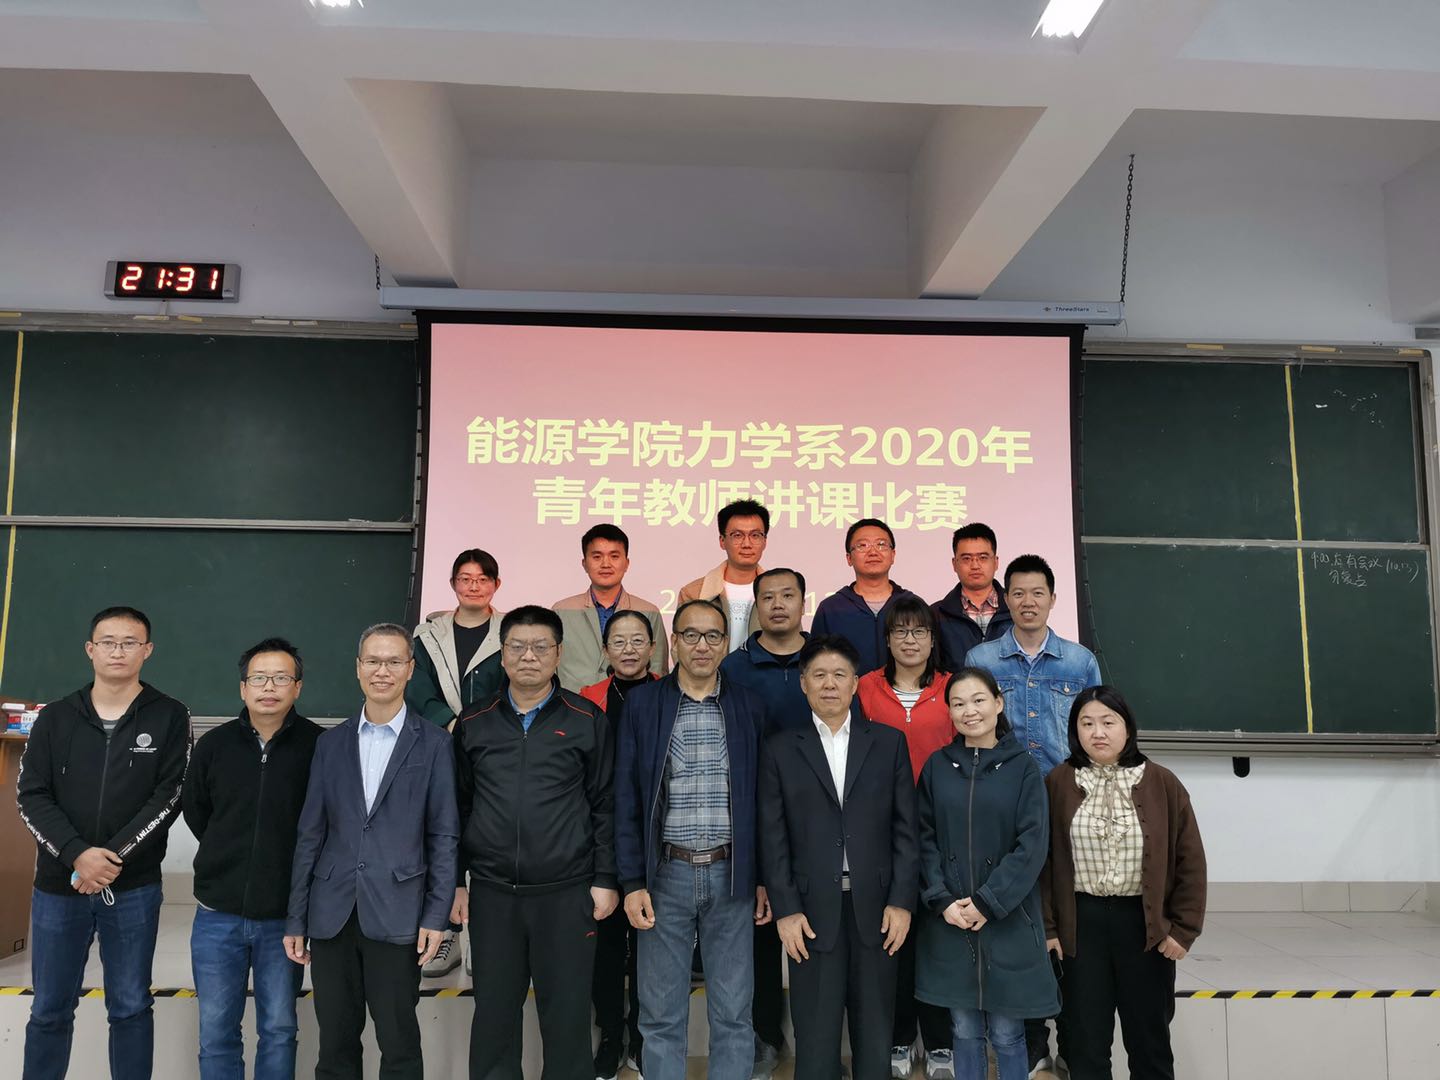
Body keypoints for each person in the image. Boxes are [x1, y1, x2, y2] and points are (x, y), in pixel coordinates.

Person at [17, 606, 191, 1080]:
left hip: (132, 887)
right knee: (49, 1008)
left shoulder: (170, 715)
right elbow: (31, 795)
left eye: (130, 642)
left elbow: (170, 795)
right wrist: (77, 854)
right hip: (59, 887)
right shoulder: (55, 717)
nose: (118, 651)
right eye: (108, 642)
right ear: (90, 649)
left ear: (147, 650)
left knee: (131, 1006)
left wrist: (111, 860)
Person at [284, 623, 458, 1080]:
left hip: (399, 913)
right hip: (332, 913)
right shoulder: (330, 743)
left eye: (394, 661)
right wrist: (297, 917)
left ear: (410, 669)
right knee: (335, 1044)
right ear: (358, 668)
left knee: (399, 1043)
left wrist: (436, 915)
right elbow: (310, 834)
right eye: (373, 661)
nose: (383, 671)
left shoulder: (436, 743)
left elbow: (444, 837)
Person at [453, 606, 619, 1080]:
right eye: (518, 647)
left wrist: (606, 878)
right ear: (502, 654)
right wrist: (456, 881)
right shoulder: (474, 721)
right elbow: (457, 807)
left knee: (566, 1016)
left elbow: (605, 803)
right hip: (492, 893)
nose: (529, 656)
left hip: (566, 893)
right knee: (494, 1015)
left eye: (541, 647)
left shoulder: (586, 718)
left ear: (558, 654)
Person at [615, 598, 771, 1080]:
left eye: (713, 636)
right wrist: (631, 882)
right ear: (674, 642)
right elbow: (627, 798)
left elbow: (764, 800)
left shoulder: (748, 705)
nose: (702, 645)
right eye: (690, 635)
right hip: (665, 876)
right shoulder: (644, 705)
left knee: (734, 1012)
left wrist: (762, 877)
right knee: (660, 1014)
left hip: (732, 875)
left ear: (726, 644)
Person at [758, 635, 918, 1080]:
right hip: (809, 913)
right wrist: (786, 909)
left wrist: (902, 901)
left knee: (875, 1038)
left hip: (879, 910)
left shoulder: (888, 743)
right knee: (814, 1043)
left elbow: (907, 830)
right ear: (803, 683)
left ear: (855, 684)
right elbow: (773, 836)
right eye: (819, 675)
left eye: (839, 675)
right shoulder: (779, 748)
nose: (829, 684)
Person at [962, 554, 1099, 1072]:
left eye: (1037, 593)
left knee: (1068, 914)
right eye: (1017, 593)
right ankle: (1033, 1043)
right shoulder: (982, 658)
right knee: (1022, 919)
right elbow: (969, 727)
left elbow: (1095, 726)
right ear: (1005, 599)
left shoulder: (1079, 662)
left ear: (1053, 599)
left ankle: (1074, 1042)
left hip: (1067, 803)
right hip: (1004, 805)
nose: (1027, 602)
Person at [1042, 687, 1206, 1080]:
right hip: (1080, 925)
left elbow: (1190, 861)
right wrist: (1048, 928)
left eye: (1108, 722)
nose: (1097, 732)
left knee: (1149, 1041)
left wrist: (1183, 930)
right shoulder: (1058, 782)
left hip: (1144, 927)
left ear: (1128, 727)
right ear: (1074, 731)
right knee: (1084, 1041)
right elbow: (1044, 863)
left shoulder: (1162, 782)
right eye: (1086, 723)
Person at [184, 637, 321, 1080]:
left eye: (281, 678)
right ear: (243, 687)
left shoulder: (320, 746)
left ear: (297, 687)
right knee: (216, 1032)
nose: (269, 687)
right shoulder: (214, 745)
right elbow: (197, 811)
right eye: (259, 678)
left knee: (279, 1029)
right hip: (216, 913)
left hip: (284, 917)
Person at [914, 668, 1057, 1080]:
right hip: (951, 919)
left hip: (1007, 918)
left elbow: (1032, 845)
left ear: (998, 703)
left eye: (978, 700)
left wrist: (987, 902)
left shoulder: (1024, 768)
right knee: (963, 1029)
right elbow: (923, 839)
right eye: (958, 703)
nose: (969, 711)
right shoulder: (937, 767)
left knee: (1009, 1032)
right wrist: (942, 900)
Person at [717, 566, 813, 1078]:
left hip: (819, 813)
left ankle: (816, 1041)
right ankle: (765, 1035)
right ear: (756, 606)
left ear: (803, 602)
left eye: (787, 595)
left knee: (816, 928)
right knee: (758, 929)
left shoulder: (825, 659)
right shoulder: (733, 667)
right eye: (768, 597)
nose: (778, 604)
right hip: (753, 812)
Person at [856, 596, 955, 1080]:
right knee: (892, 938)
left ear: (933, 640)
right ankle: (897, 1037)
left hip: (942, 830)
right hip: (881, 831)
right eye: (901, 631)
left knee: (937, 939)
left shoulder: (953, 689)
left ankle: (939, 1042)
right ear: (888, 639)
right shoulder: (864, 688)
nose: (910, 640)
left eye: (920, 631)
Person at [408, 548, 504, 977]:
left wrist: (482, 730)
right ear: (452, 585)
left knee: (488, 832)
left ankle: (484, 934)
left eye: (482, 579)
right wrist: (449, 724)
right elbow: (417, 688)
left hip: (495, 749)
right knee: (442, 832)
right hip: (440, 745)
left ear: (496, 585)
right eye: (465, 579)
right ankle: (445, 931)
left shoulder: (510, 632)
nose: (473, 586)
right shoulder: (427, 636)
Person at [580, 610, 660, 1080]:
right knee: (605, 949)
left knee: (651, 947)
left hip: (656, 838)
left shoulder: (669, 693)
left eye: (637, 640)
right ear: (605, 649)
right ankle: (611, 1034)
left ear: (653, 647)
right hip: (603, 839)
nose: (628, 649)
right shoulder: (587, 699)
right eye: (619, 641)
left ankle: (644, 1037)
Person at [554, 524, 669, 692]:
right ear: (584, 563)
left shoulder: (649, 612)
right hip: (573, 704)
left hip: (632, 703)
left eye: (614, 556)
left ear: (627, 563)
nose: (606, 564)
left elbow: (658, 670)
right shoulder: (560, 611)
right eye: (597, 557)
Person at [811, 519, 924, 675]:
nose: (873, 552)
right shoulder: (831, 609)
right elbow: (816, 665)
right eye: (862, 545)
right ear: (849, 558)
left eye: (881, 544)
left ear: (893, 555)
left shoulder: (913, 604)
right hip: (849, 691)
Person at [678, 498, 769, 653]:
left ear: (765, 541)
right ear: (722, 541)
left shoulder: (780, 593)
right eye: (737, 535)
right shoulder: (693, 593)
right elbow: (683, 651)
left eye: (755, 535)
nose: (747, 544)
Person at [931, 524, 1011, 673]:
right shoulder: (936, 614)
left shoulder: (1016, 608)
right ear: (954, 564)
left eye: (983, 558)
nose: (975, 565)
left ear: (996, 562)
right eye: (966, 558)